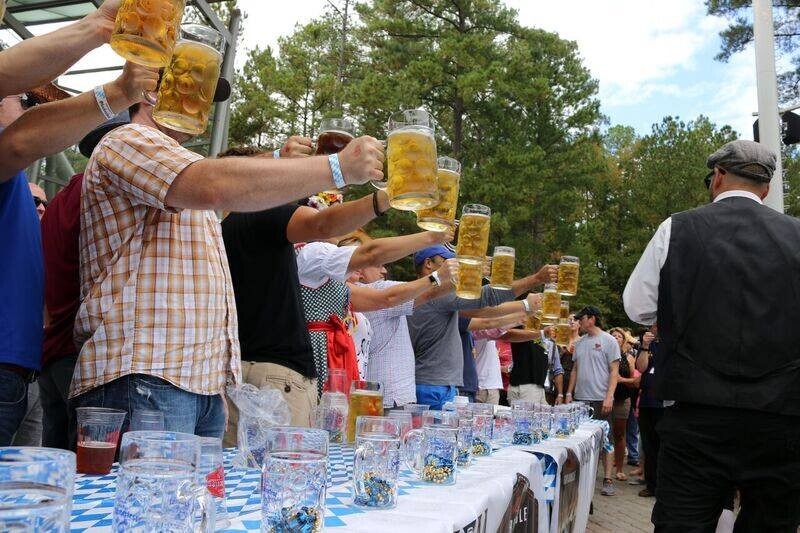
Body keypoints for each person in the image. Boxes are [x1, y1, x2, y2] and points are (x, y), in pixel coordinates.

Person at [71, 96, 384, 437]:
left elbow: (219, 181)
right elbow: (216, 183)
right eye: (198, 88)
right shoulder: (126, 140)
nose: (203, 102)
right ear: (152, 95)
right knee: (148, 488)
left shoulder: (174, 176)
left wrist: (276, 159)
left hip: (193, 382)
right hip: (147, 374)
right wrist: (337, 168)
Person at [624, 139, 800, 531]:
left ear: (718, 176)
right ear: (766, 189)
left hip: (697, 416)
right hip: (781, 419)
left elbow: (637, 306)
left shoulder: (677, 227)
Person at [220, 144, 390, 436]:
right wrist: (387, 197)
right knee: (289, 473)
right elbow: (324, 224)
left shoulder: (218, 225)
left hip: (238, 368)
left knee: (243, 472)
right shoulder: (260, 213)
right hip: (276, 375)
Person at [297, 229, 456, 398]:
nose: (384, 270)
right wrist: (435, 268)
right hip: (323, 362)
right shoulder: (314, 255)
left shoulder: (343, 289)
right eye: (356, 257)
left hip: (348, 374)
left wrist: (462, 276)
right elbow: (389, 296)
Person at [408, 247, 552, 410]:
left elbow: (481, 311)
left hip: (434, 383)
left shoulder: (419, 294)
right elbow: (485, 301)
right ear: (428, 264)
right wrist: (535, 281)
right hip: (434, 387)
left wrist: (523, 308)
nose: (453, 267)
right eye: (447, 262)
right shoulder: (434, 292)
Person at [0, 93, 42, 445]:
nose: (33, 110)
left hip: (20, 369)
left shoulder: (14, 179)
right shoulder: (7, 153)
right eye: (25, 99)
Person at [566, 305, 620, 496]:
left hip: (600, 399)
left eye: (582, 318)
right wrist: (568, 394)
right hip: (580, 400)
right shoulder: (579, 343)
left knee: (607, 440)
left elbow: (614, 371)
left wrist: (609, 396)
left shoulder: (609, 340)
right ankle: (583, 476)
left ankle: (607, 478)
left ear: (592, 319)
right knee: (581, 439)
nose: (579, 321)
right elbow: (575, 369)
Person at [505, 324, 565, 404]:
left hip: (537, 387)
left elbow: (557, 369)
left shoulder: (547, 340)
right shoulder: (521, 328)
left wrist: (560, 394)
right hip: (526, 387)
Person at [632, 326, 661, 497]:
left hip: (665, 404)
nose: (654, 328)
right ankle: (651, 485)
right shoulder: (648, 345)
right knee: (649, 447)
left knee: (663, 446)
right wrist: (644, 346)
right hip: (647, 403)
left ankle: (664, 486)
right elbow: (641, 368)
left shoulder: (673, 343)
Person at [608, 327, 639, 481]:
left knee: (619, 434)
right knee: (604, 434)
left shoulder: (629, 358)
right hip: (605, 398)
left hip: (622, 399)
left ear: (623, 340)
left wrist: (621, 380)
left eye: (619, 336)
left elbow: (635, 382)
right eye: (612, 335)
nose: (615, 338)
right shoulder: (604, 355)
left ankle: (619, 468)